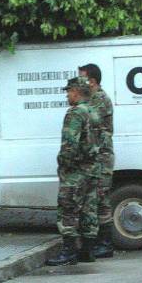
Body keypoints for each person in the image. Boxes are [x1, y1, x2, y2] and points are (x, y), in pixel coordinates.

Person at [46, 76, 101, 266]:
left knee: (67, 208)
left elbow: (70, 144)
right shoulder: (93, 112)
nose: (67, 95)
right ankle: (87, 251)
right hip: (92, 169)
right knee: (89, 209)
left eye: (69, 91)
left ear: (76, 92)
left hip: (76, 172)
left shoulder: (75, 113)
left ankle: (69, 251)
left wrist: (64, 164)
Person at [79, 63, 115, 258]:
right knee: (96, 199)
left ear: (92, 81)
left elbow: (88, 119)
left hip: (102, 157)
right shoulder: (92, 98)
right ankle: (100, 242)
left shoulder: (99, 99)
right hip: (95, 156)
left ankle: (105, 243)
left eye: (82, 78)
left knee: (101, 199)